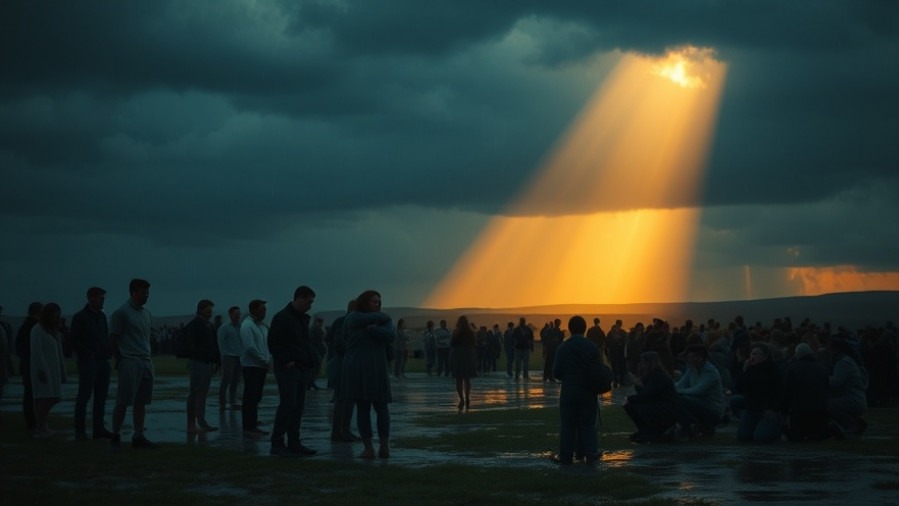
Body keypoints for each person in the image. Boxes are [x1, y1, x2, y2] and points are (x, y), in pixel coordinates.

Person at [341, 290, 394, 459]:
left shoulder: (380, 320)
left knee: (382, 407)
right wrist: (381, 320)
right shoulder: (354, 317)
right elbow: (356, 321)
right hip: (358, 368)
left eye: (379, 301)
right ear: (364, 302)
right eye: (373, 302)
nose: (377, 304)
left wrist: (374, 330)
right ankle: (369, 448)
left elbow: (391, 335)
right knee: (363, 408)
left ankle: (384, 446)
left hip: (377, 368)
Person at [268, 286, 318, 457]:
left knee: (298, 407)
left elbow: (305, 343)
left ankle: (294, 442)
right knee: (288, 405)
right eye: (308, 302)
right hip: (288, 368)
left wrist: (310, 361)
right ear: (299, 298)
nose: (310, 306)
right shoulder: (282, 318)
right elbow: (273, 343)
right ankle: (277, 443)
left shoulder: (301, 319)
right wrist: (286, 361)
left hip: (301, 368)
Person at [109, 278, 158, 448]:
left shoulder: (146, 313)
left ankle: (138, 435)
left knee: (141, 401)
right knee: (123, 400)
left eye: (147, 293)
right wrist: (119, 358)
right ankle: (115, 435)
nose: (146, 296)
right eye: (143, 293)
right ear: (133, 292)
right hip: (130, 359)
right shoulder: (122, 313)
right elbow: (114, 337)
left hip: (145, 359)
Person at [551, 315, 600, 464]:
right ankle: (590, 453)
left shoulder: (563, 347)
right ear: (585, 329)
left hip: (569, 392)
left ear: (570, 329)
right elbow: (598, 371)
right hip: (588, 392)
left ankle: (566, 456)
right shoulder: (592, 347)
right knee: (588, 425)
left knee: (567, 426)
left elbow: (556, 373)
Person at [70, 287, 114, 440]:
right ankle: (80, 431)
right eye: (100, 298)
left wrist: (107, 352)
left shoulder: (101, 317)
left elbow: (104, 336)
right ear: (91, 298)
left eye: (103, 298)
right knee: (84, 396)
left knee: (101, 397)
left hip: (103, 361)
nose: (102, 301)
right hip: (88, 362)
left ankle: (98, 428)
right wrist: (88, 353)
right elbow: (73, 340)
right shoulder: (80, 317)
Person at [623, 351, 680, 443]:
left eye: (643, 362)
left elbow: (648, 394)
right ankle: (645, 430)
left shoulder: (658, 376)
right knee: (632, 405)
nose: (641, 365)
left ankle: (650, 431)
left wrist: (631, 397)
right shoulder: (653, 376)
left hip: (666, 407)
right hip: (661, 404)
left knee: (633, 405)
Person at [731, 343, 784, 443]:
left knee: (760, 438)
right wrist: (745, 370)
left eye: (756, 354)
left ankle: (776, 425)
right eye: (752, 354)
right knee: (743, 437)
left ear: (765, 356)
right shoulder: (750, 370)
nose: (753, 357)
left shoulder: (773, 370)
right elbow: (739, 387)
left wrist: (773, 409)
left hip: (767, 410)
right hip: (752, 409)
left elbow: (779, 392)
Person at [182, 299, 220, 434]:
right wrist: (203, 356)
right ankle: (191, 424)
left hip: (207, 363)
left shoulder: (208, 325)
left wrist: (216, 361)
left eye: (211, 311)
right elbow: (190, 345)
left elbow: (214, 345)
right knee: (195, 394)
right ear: (201, 310)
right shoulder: (194, 326)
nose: (210, 314)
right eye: (208, 311)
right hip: (198, 363)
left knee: (202, 394)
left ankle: (201, 422)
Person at [30, 303, 67, 438]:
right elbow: (37, 352)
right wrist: (41, 369)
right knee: (45, 398)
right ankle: (39, 427)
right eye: (55, 315)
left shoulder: (50, 331)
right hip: (43, 370)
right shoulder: (37, 330)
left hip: (53, 369)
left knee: (51, 397)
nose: (57, 318)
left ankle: (43, 425)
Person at [674, 345, 726, 438]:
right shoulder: (692, 368)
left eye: (691, 357)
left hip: (713, 410)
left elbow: (697, 391)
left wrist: (678, 391)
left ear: (700, 358)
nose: (689, 360)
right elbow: (680, 384)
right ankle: (691, 426)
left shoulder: (711, 372)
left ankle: (693, 427)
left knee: (680, 399)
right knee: (675, 398)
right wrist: (670, 388)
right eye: (688, 357)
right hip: (699, 404)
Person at [783, 343, 830, 441]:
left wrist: (784, 411)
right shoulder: (822, 368)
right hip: (819, 411)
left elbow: (787, 392)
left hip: (799, 411)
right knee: (815, 436)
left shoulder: (793, 369)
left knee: (796, 437)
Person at [329, 300, 359, 442]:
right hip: (343, 366)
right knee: (342, 400)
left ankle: (345, 430)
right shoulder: (344, 323)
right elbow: (339, 345)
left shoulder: (341, 321)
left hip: (348, 365)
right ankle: (338, 432)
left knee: (349, 400)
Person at [240, 299, 271, 436]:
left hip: (261, 365)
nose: (265, 312)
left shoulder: (262, 326)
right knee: (250, 396)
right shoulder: (247, 325)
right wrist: (264, 359)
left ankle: (252, 421)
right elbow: (250, 347)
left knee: (256, 395)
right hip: (252, 365)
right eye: (262, 309)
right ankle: (248, 425)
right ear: (254, 310)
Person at [827, 338, 868, 438]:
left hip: (853, 400)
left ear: (836, 349)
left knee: (829, 405)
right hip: (856, 399)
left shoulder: (843, 363)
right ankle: (854, 423)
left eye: (830, 349)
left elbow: (836, 382)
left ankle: (852, 426)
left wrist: (823, 377)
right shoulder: (846, 361)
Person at [16, 302, 43, 431]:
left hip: (27, 365)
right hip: (30, 366)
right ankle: (33, 422)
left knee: (30, 395)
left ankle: (33, 421)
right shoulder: (33, 327)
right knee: (31, 395)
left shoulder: (27, 326)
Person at [217, 306, 243, 411]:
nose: (238, 316)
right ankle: (222, 401)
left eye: (239, 314)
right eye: (236, 314)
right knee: (226, 379)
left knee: (236, 380)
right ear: (231, 314)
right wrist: (222, 357)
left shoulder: (239, 327)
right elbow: (221, 343)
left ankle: (233, 400)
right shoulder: (225, 327)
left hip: (239, 356)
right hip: (229, 356)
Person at [450, 315, 478, 411]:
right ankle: (467, 398)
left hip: (458, 355)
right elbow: (474, 343)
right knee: (467, 378)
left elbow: (452, 343)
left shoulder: (456, 332)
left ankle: (461, 399)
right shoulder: (471, 332)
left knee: (459, 378)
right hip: (468, 354)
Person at [308, 317, 327, 390]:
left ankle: (311, 383)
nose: (321, 323)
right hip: (315, 351)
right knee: (315, 367)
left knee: (316, 368)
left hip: (317, 350)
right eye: (320, 322)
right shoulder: (315, 329)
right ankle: (311, 383)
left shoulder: (317, 329)